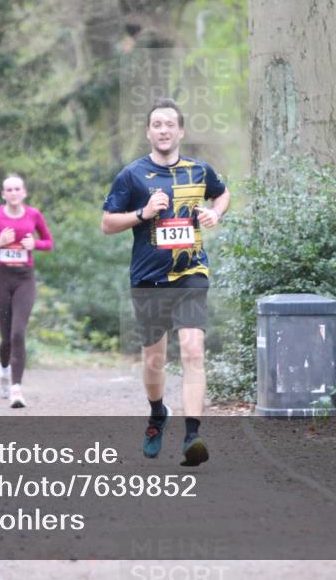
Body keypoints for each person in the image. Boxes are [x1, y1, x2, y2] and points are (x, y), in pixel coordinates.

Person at [101, 98, 230, 466]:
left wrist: (214, 213)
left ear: (181, 131)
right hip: (148, 278)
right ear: (148, 131)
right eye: (157, 124)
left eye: (169, 124)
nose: (163, 130)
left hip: (191, 273)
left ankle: (193, 435)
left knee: (192, 349)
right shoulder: (132, 175)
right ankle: (158, 413)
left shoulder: (198, 171)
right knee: (155, 360)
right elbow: (107, 223)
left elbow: (222, 193)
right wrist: (143, 213)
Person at [0, 174, 54, 408]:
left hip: (24, 280)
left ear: (24, 192)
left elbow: (48, 242)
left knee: (18, 333)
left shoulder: (34, 215)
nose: (13, 193)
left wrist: (35, 244)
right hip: (0, 279)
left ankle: (17, 389)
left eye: (17, 189)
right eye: (9, 189)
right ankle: (4, 369)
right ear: (3, 194)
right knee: (6, 337)